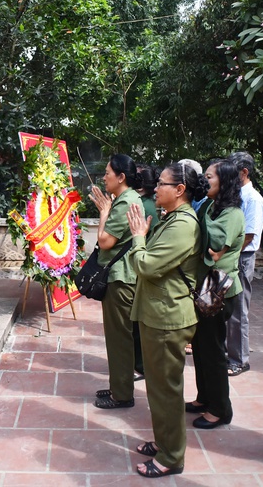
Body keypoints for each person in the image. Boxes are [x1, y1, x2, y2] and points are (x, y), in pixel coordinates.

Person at [125, 162, 209, 478]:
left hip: (167, 317)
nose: (156, 187)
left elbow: (145, 265)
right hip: (158, 313)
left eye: (162, 183)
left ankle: (171, 456)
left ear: (180, 190)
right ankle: (164, 443)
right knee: (159, 388)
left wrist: (138, 237)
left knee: (166, 391)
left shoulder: (183, 225)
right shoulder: (172, 219)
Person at [185, 159, 245, 429]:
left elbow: (214, 245)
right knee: (200, 347)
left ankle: (221, 409)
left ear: (226, 181)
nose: (204, 182)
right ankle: (204, 397)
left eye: (208, 177)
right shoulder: (210, 205)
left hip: (219, 290)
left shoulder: (232, 213)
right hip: (204, 285)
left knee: (213, 350)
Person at [89, 154, 144, 409]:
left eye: (108, 172)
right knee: (117, 337)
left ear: (121, 177)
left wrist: (104, 213)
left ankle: (122, 394)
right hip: (120, 276)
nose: (104, 177)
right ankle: (118, 387)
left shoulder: (125, 202)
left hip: (121, 278)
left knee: (119, 338)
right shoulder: (124, 199)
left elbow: (105, 241)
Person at [225, 152, 263, 376]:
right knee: (226, 308)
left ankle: (240, 360)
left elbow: (249, 235)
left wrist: (227, 254)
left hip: (241, 258)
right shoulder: (234, 195)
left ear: (244, 172)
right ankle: (228, 352)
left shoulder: (253, 199)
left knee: (239, 310)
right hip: (230, 256)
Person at [131, 163, 160, 380]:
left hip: (141, 267)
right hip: (140, 265)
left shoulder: (142, 206)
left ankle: (140, 365)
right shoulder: (145, 203)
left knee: (137, 324)